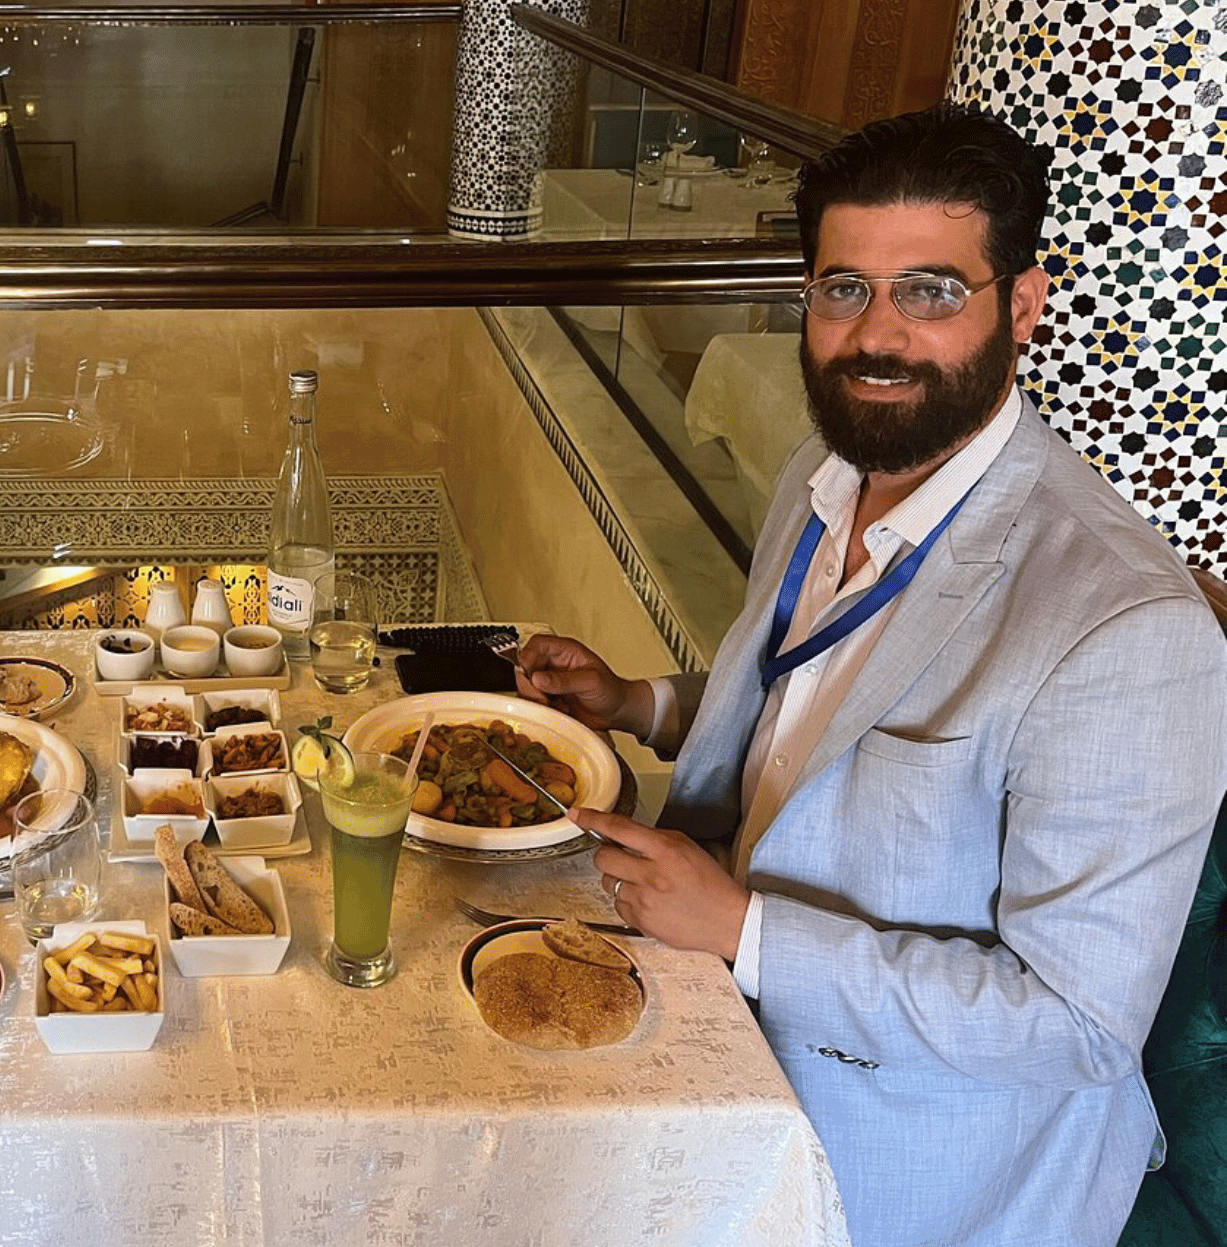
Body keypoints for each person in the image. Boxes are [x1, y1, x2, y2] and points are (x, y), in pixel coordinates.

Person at [517, 103, 1227, 1247]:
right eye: (842, 288)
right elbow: (819, 717)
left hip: (913, 1164)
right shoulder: (827, 467)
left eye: (930, 292)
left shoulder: (1122, 627)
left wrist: (745, 933)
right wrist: (640, 705)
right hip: (707, 1020)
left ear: (1021, 306)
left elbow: (1075, 1025)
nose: (875, 335)